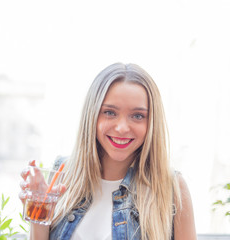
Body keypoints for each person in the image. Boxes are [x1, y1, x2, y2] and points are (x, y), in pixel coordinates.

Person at [19, 63, 196, 240]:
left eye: (137, 116)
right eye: (110, 112)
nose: (121, 128)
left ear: (151, 123)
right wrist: (37, 216)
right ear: (92, 115)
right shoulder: (62, 173)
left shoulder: (171, 187)